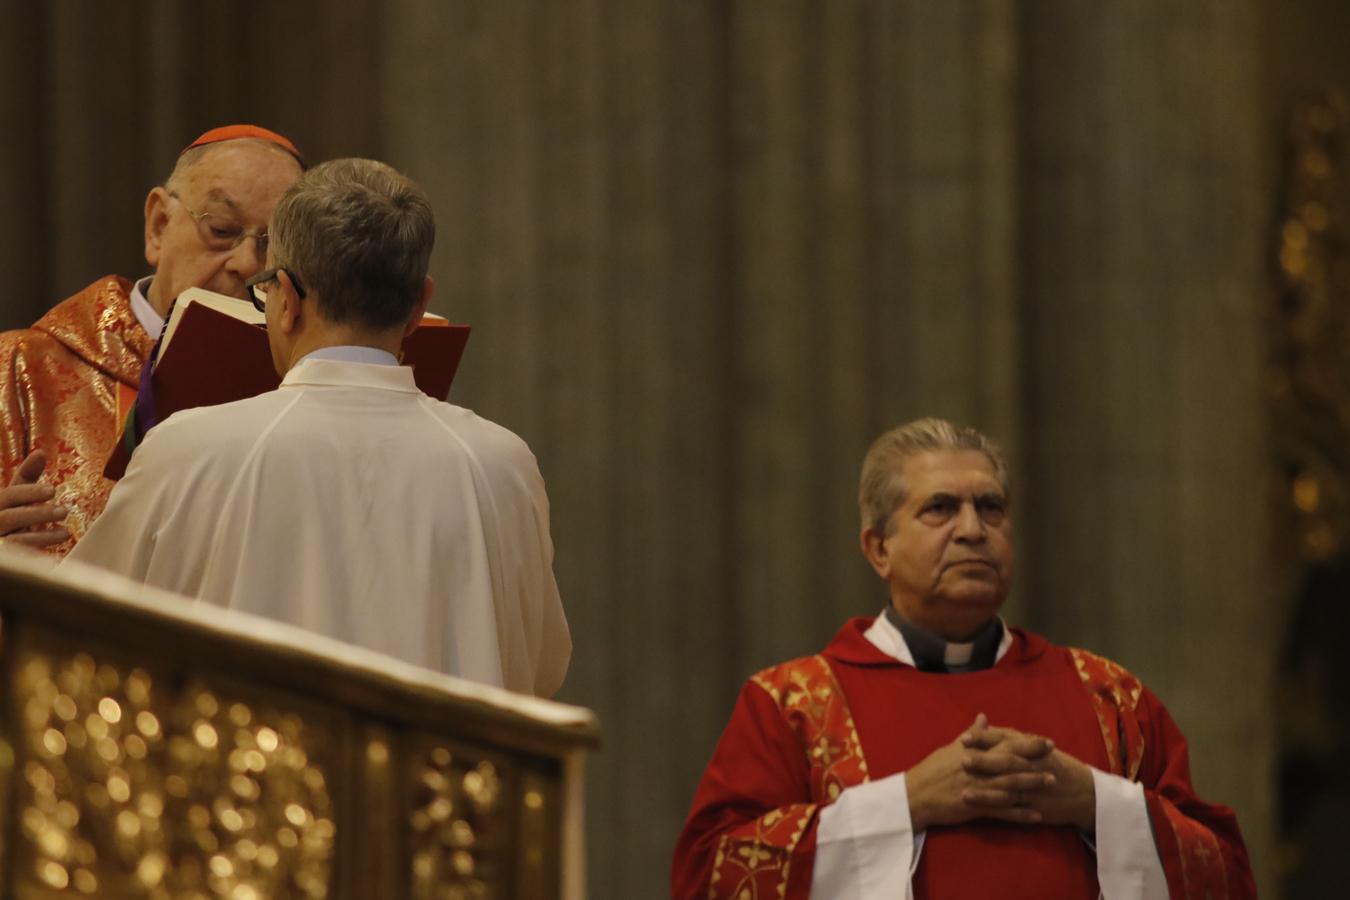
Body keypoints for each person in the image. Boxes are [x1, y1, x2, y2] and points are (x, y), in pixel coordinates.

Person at [672, 418, 1254, 898]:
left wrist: (1096, 802)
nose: (973, 530)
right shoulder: (794, 705)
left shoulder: (1109, 696)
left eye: (992, 508)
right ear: (879, 548)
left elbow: (1223, 871)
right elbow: (710, 876)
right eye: (941, 508)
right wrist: (906, 803)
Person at [66, 158, 571, 698]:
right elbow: (539, 668)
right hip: (433, 779)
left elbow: (75, 636)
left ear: (285, 299)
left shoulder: (185, 452)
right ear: (420, 305)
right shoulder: (502, 464)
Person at [0, 125, 304, 554]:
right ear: (159, 225)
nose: (246, 263)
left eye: (274, 246)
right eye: (221, 229)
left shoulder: (302, 392)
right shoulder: (19, 367)